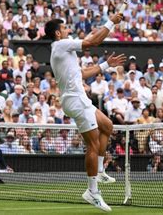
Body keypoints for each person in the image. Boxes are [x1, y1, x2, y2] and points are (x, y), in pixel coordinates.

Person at [45, 13, 123, 212]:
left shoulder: (65, 51)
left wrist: (106, 65)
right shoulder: (61, 45)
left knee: (107, 126)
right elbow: (93, 41)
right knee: (93, 143)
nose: (68, 30)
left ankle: (100, 170)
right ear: (57, 33)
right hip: (75, 100)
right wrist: (111, 22)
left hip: (80, 99)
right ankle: (92, 191)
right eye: (65, 28)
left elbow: (82, 74)